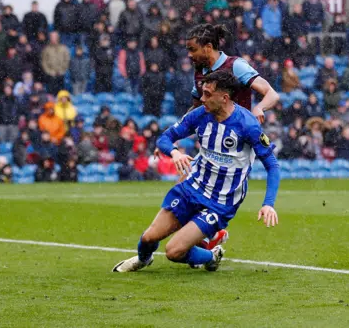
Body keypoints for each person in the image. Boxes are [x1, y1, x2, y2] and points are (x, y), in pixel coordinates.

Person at [113, 71, 280, 273]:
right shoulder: (200, 115)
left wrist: (268, 204)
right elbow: (165, 138)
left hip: (221, 201)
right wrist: (174, 153)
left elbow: (272, 165)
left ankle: (212, 255)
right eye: (203, 93)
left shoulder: (247, 125)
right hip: (192, 188)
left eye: (208, 94)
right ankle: (143, 260)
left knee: (173, 251)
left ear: (224, 98)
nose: (202, 98)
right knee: (148, 238)